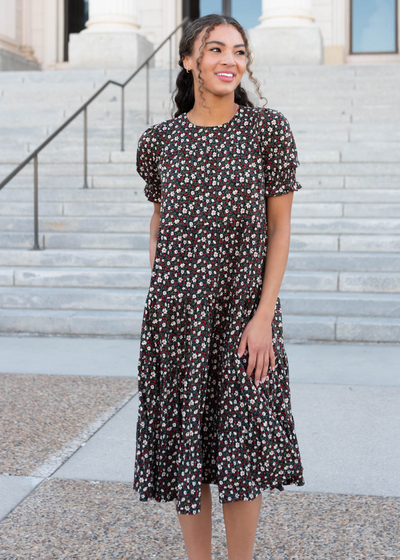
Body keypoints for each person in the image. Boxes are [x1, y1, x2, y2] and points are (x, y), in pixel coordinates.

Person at [133, 13, 305, 560]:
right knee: (190, 450)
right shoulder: (159, 142)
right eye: (215, 49)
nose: (230, 60)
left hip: (242, 316)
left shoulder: (267, 131)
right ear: (189, 60)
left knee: (241, 451)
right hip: (178, 316)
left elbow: (279, 230)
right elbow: (160, 225)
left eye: (239, 51)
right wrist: (164, 301)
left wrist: (262, 318)